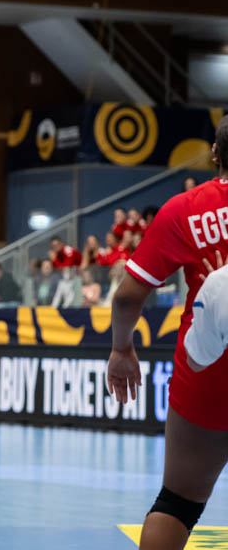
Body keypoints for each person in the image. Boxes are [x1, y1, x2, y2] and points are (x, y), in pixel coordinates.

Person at [107, 115, 228, 550]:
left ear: (215, 154)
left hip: (207, 370)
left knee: (177, 503)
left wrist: (122, 349)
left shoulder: (186, 208)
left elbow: (126, 297)